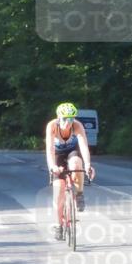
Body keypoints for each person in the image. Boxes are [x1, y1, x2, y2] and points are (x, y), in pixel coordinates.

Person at [45, 102, 94, 241]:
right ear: (58, 118)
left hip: (72, 152)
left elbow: (84, 146)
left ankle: (79, 194)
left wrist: (88, 164)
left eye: (71, 119)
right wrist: (52, 167)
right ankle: (58, 225)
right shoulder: (52, 126)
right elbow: (49, 149)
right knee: (59, 190)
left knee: (76, 163)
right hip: (57, 155)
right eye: (65, 119)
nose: (68, 122)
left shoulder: (77, 126)